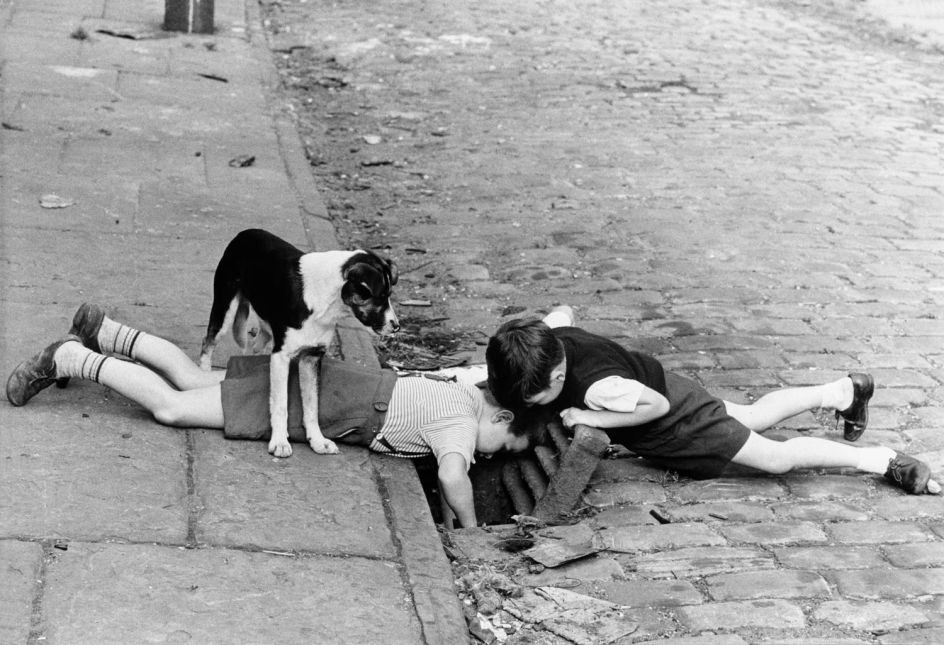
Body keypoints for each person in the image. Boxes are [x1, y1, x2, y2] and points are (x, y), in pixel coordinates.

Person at [6, 304, 531, 528]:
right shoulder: (462, 427)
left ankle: (105, 330)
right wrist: (468, 529)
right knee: (172, 407)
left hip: (320, 376)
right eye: (500, 449)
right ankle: (71, 358)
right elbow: (452, 476)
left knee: (191, 377)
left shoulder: (460, 392)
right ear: (502, 417)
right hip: (308, 402)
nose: (486, 457)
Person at [486, 306, 940, 495]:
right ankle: (840, 393)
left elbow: (655, 408)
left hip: (677, 419)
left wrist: (590, 415)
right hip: (674, 387)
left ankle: (883, 460)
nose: (533, 403)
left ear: (558, 375)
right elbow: (563, 310)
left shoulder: (597, 388)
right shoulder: (553, 335)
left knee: (775, 459)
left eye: (535, 396)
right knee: (752, 416)